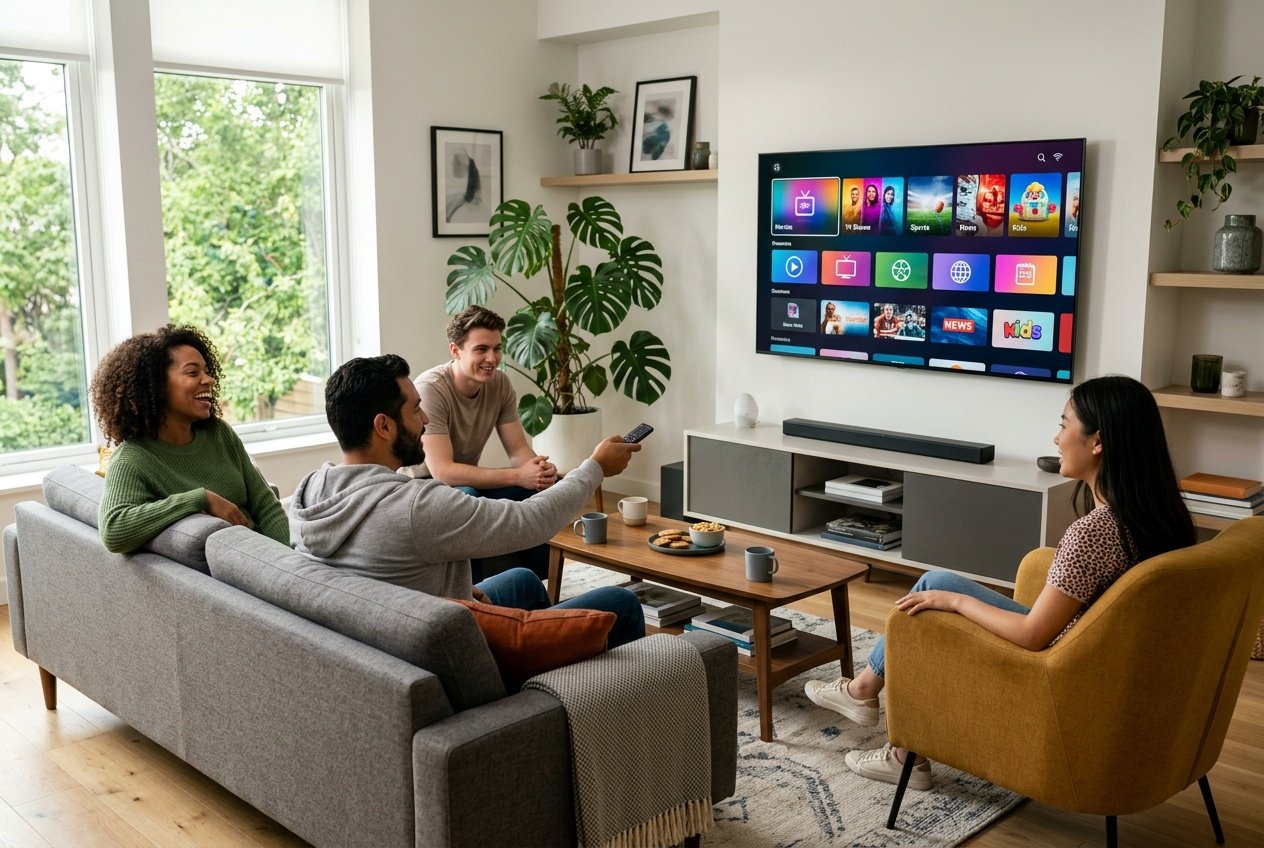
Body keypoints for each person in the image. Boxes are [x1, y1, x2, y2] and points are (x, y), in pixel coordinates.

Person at [804, 375, 1196, 790]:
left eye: (1064, 425)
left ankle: (895, 743)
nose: (1056, 437)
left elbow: (1032, 634)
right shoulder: (1162, 519)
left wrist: (956, 604)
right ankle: (867, 693)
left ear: (1097, 442)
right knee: (934, 582)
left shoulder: (1095, 533)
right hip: (1098, 663)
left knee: (929, 611)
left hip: (1057, 668)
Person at [287, 354, 645, 647]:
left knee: (521, 579)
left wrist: (451, 586)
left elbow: (377, 567)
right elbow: (531, 523)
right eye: (414, 410)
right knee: (622, 603)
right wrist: (595, 467)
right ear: (384, 426)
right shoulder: (414, 506)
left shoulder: (310, 491)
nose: (425, 419)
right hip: (445, 647)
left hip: (390, 633)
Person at [92, 324, 289, 553]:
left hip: (271, 559)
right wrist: (199, 498)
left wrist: (287, 559)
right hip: (240, 567)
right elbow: (114, 530)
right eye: (193, 372)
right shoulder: (132, 460)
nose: (209, 380)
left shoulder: (219, 433)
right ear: (155, 386)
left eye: (206, 371)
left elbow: (267, 506)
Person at [407, 306, 557, 580]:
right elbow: (443, 472)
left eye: (497, 349)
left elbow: (517, 450)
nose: (493, 358)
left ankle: (540, 586)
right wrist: (517, 475)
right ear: (455, 350)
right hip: (422, 491)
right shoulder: (430, 389)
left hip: (465, 486)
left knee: (539, 493)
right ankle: (473, 597)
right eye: (481, 349)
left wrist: (538, 471)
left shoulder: (499, 384)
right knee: (468, 500)